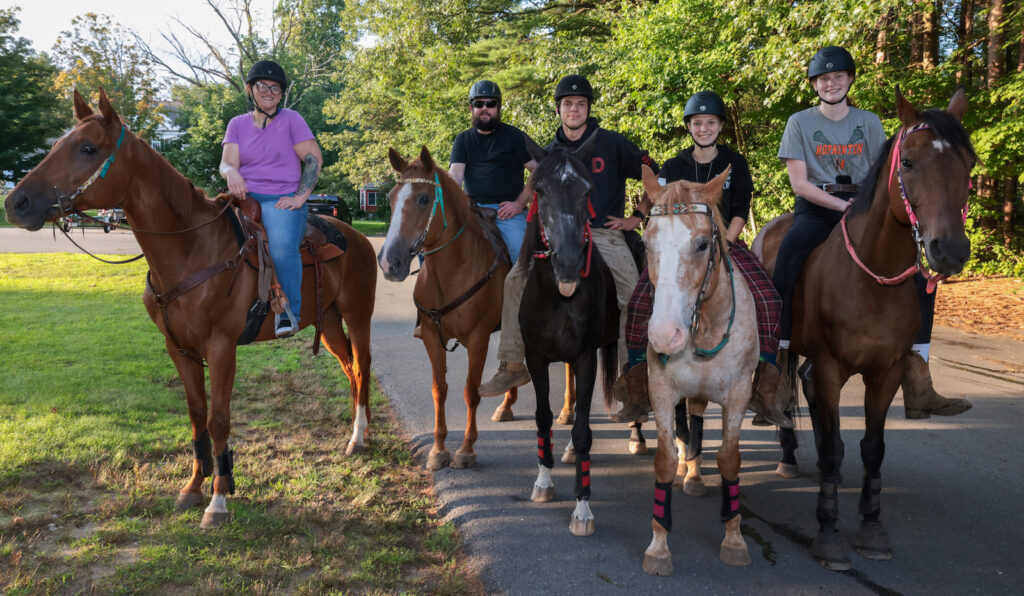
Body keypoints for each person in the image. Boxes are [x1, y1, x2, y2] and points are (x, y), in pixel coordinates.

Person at [773, 46, 970, 418]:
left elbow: (884, 175)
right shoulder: (799, 122)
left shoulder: (870, 122)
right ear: (815, 84)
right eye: (824, 78)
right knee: (786, 262)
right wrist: (840, 206)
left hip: (864, 210)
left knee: (921, 275)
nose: (831, 83)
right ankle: (778, 368)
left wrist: (863, 208)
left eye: (839, 77)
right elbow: (800, 183)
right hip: (817, 209)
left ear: (849, 80)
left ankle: (918, 377)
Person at [612, 90, 792, 428]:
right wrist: (637, 219)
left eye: (710, 122)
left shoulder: (735, 163)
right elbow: (656, 203)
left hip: (722, 243)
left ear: (720, 125)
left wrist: (724, 242)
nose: (704, 128)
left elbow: (740, 209)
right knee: (637, 303)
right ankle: (636, 388)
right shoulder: (673, 165)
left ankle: (767, 389)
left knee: (769, 298)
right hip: (680, 250)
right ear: (689, 127)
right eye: (698, 123)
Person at [479, 74, 658, 396]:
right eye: (567, 104)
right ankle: (513, 365)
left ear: (588, 108)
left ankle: (633, 372)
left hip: (602, 232)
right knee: (515, 280)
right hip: (556, 238)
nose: (574, 109)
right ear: (558, 109)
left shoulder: (612, 143)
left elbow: (654, 173)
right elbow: (534, 190)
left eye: (580, 104)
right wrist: (520, 203)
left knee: (633, 294)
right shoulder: (548, 152)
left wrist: (637, 216)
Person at [220, 59, 323, 337]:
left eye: (275, 88)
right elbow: (227, 162)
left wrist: (300, 198)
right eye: (262, 86)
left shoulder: (292, 120)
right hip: (245, 197)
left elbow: (312, 159)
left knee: (279, 248)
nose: (269, 91)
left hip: (282, 199)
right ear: (250, 89)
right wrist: (232, 173)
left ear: (282, 93)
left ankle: (288, 313)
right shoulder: (237, 124)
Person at [449, 80, 538, 264]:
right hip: (472, 211)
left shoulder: (514, 137)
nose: (484, 108)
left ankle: (522, 292)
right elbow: (455, 176)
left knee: (524, 261)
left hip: (508, 213)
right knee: (437, 247)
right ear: (470, 108)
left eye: (490, 104)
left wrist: (519, 203)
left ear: (499, 107)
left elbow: (538, 170)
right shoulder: (463, 140)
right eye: (478, 104)